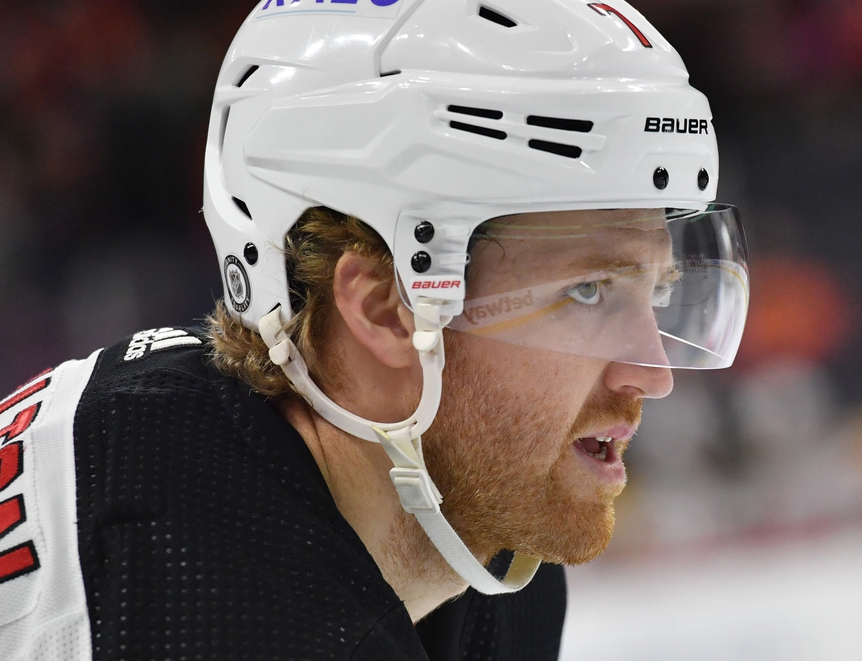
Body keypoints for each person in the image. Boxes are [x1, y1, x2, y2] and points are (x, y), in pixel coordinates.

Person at [0, 0, 749, 659]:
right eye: (588, 290)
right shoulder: (189, 574)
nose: (653, 370)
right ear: (387, 308)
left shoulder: (490, 544)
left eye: (655, 289)